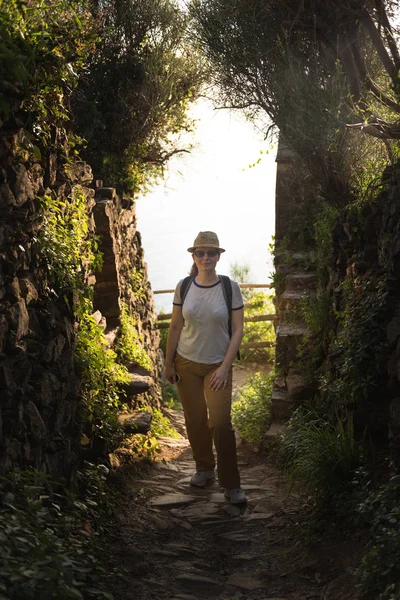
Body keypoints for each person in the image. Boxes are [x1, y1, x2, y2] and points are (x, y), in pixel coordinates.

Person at [164, 231, 247, 505]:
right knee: (195, 419)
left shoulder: (229, 287)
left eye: (211, 252)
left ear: (219, 256)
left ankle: (231, 484)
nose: (206, 257)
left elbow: (237, 331)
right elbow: (175, 326)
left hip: (217, 366)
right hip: (185, 363)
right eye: (200, 253)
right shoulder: (184, 286)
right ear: (194, 256)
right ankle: (204, 468)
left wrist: (225, 367)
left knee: (221, 423)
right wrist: (168, 362)